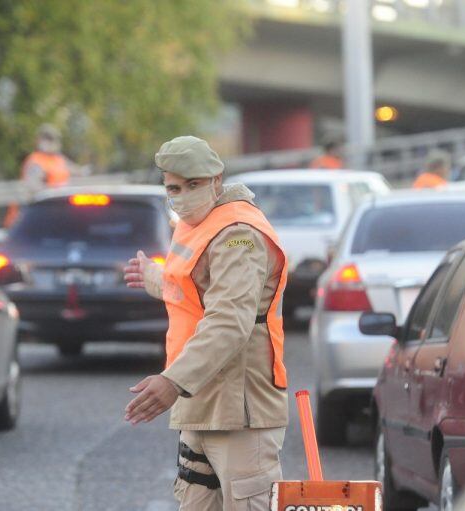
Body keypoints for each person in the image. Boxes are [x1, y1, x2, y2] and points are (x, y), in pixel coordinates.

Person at [123, 136, 289, 510]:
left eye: (193, 185)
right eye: (174, 188)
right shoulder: (197, 224)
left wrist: (173, 381)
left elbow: (230, 320)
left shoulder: (238, 235)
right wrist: (153, 277)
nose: (182, 196)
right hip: (202, 401)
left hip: (238, 408)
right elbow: (191, 289)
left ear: (217, 179)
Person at [4, 124, 72, 227]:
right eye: (46, 138)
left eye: (51, 139)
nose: (48, 142)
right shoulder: (35, 160)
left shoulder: (59, 160)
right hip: (28, 218)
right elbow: (33, 189)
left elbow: (76, 174)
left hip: (53, 212)